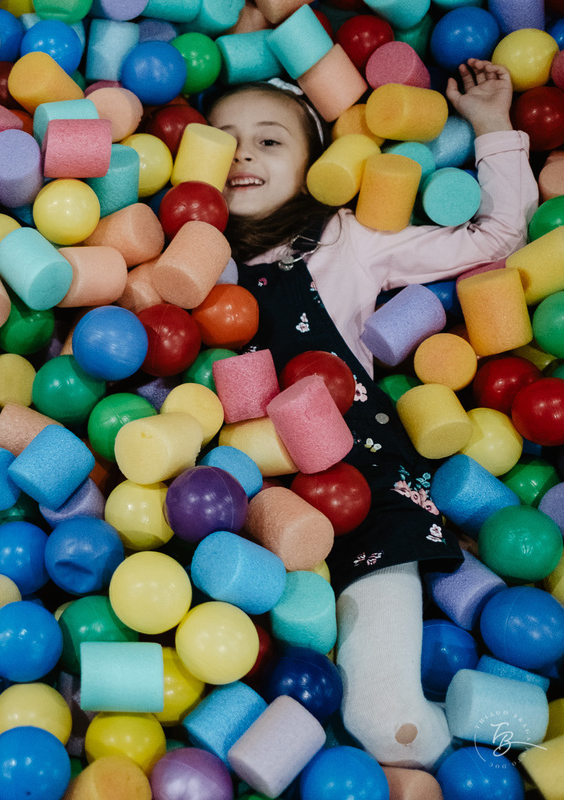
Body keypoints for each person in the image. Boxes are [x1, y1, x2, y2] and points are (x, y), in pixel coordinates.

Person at [204, 60, 536, 769]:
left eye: (269, 141)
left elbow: (494, 237)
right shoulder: (174, 260)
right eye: (222, 139)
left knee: (384, 722)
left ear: (315, 163)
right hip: (239, 507)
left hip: (361, 487)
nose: (241, 155)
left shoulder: (345, 238)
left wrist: (492, 128)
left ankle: (523, 750)